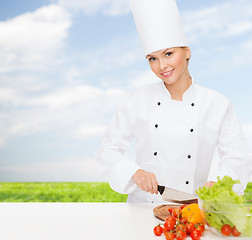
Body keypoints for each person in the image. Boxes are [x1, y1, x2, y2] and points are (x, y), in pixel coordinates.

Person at [96, 0, 252, 202]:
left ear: (186, 51)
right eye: (152, 58)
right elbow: (107, 151)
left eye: (168, 54)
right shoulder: (135, 102)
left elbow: (237, 156)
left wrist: (219, 183)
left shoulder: (218, 104)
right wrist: (135, 172)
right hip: (143, 207)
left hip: (192, 211)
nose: (162, 66)